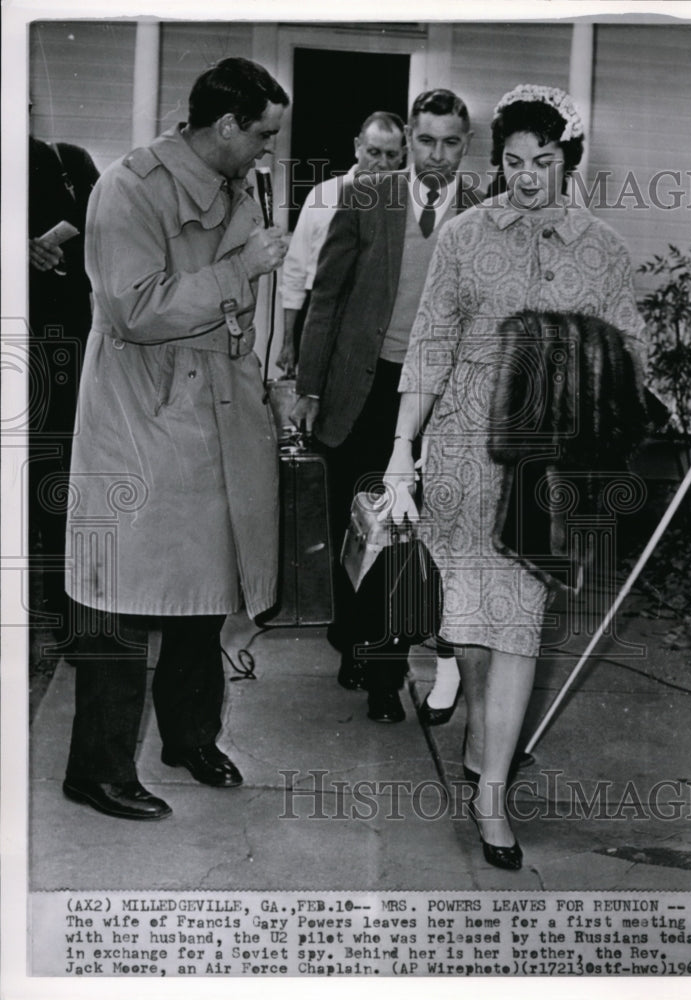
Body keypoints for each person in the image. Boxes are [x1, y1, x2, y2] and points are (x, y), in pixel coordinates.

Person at [382, 84, 648, 868]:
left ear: (569, 161)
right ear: (496, 161)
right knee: (467, 624)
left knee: (519, 624)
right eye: (512, 161)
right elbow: (429, 341)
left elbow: (630, 348)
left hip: (546, 462)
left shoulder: (601, 247)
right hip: (465, 447)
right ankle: (477, 725)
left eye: (543, 161)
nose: (527, 176)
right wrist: (403, 446)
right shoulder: (464, 235)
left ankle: (491, 792)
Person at [61, 57, 290, 821]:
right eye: (261, 136)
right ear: (224, 126)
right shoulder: (128, 187)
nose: (267, 152)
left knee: (203, 590)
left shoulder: (234, 184)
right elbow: (132, 310)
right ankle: (95, 770)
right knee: (118, 600)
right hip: (144, 420)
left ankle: (188, 737)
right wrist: (239, 269)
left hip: (216, 412)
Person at [291, 89, 482, 724]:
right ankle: (354, 638)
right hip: (362, 390)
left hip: (435, 399)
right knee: (362, 523)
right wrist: (310, 388)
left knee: (407, 540)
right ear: (409, 139)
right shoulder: (367, 196)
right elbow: (326, 297)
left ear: (466, 145)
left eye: (450, 142)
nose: (437, 154)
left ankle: (383, 668)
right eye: (426, 140)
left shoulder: (482, 214)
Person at [28, 134, 99, 633]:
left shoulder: (65, 160)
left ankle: (62, 607)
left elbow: (103, 218)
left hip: (60, 345)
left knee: (56, 474)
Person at [276, 111, 406, 376]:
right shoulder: (324, 196)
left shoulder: (409, 207)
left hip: (378, 325)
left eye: (391, 155)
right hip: (320, 315)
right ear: (357, 147)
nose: (381, 163)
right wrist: (289, 341)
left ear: (403, 154)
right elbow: (295, 272)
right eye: (373, 152)